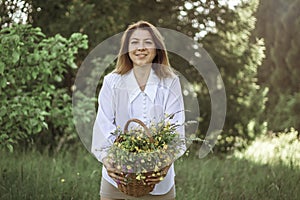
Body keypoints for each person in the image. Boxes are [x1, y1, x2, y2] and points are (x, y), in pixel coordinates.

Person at [91, 20, 185, 200]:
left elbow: (176, 129)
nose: (140, 47)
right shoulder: (112, 82)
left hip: (158, 183)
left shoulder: (170, 82)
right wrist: (108, 161)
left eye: (147, 42)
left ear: (157, 48)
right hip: (117, 181)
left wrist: (163, 164)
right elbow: (102, 126)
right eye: (134, 42)